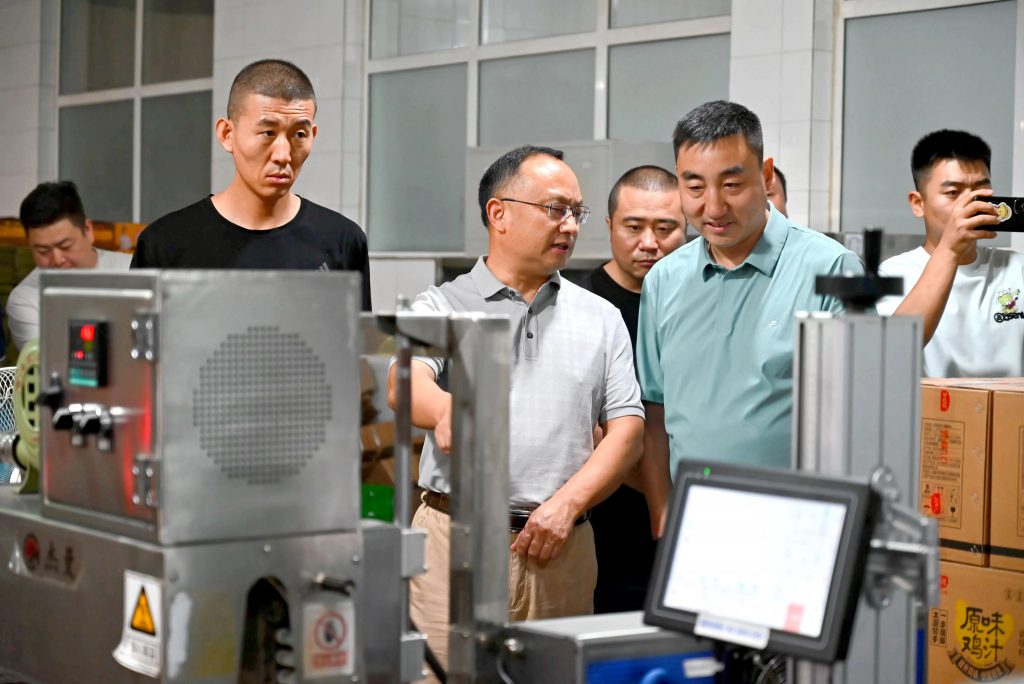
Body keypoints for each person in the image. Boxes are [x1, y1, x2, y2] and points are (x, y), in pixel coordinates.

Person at [389, 145, 644, 674]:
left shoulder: (600, 318)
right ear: (498, 213)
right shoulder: (442, 304)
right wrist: (445, 409)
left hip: (561, 550)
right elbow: (404, 380)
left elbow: (628, 431)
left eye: (576, 212)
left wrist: (567, 506)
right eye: (555, 209)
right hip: (454, 543)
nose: (570, 225)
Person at [635, 100, 862, 536]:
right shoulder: (664, 279)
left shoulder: (832, 268)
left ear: (767, 175)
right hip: (693, 525)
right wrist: (662, 513)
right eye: (694, 187)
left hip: (796, 525)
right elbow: (655, 410)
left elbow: (859, 415)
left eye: (732, 184)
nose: (714, 207)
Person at [131, 59, 370, 310]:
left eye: (299, 134)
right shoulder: (165, 244)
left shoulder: (342, 241)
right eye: (268, 133)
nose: (283, 155)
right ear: (227, 134)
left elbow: (358, 335)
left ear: (313, 136)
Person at [577, 165, 684, 613]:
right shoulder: (580, 307)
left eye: (665, 228)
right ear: (609, 226)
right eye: (634, 227)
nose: (649, 243)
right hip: (604, 527)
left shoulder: (697, 301)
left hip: (691, 518)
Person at [876, 130, 1023, 377]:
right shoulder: (893, 274)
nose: (970, 205)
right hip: (935, 404)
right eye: (953, 193)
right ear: (918, 204)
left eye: (981, 191)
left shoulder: (1017, 268)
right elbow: (893, 349)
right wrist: (950, 249)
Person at [8, 181, 132, 350]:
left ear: (88, 231)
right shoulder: (26, 300)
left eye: (65, 246)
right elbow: (46, 362)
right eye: (43, 251)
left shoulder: (133, 270)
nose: (57, 259)